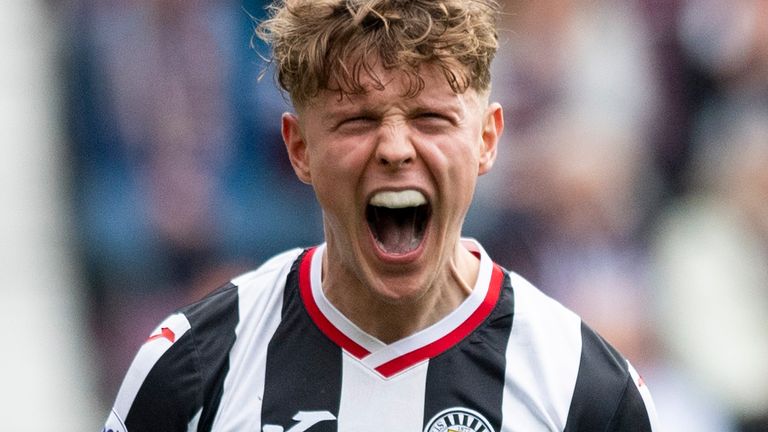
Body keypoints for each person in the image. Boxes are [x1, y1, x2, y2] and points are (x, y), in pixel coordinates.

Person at [102, 0, 659, 430]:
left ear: (487, 140)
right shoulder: (195, 369)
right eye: (358, 121)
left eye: (431, 119)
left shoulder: (584, 388)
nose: (395, 148)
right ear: (299, 149)